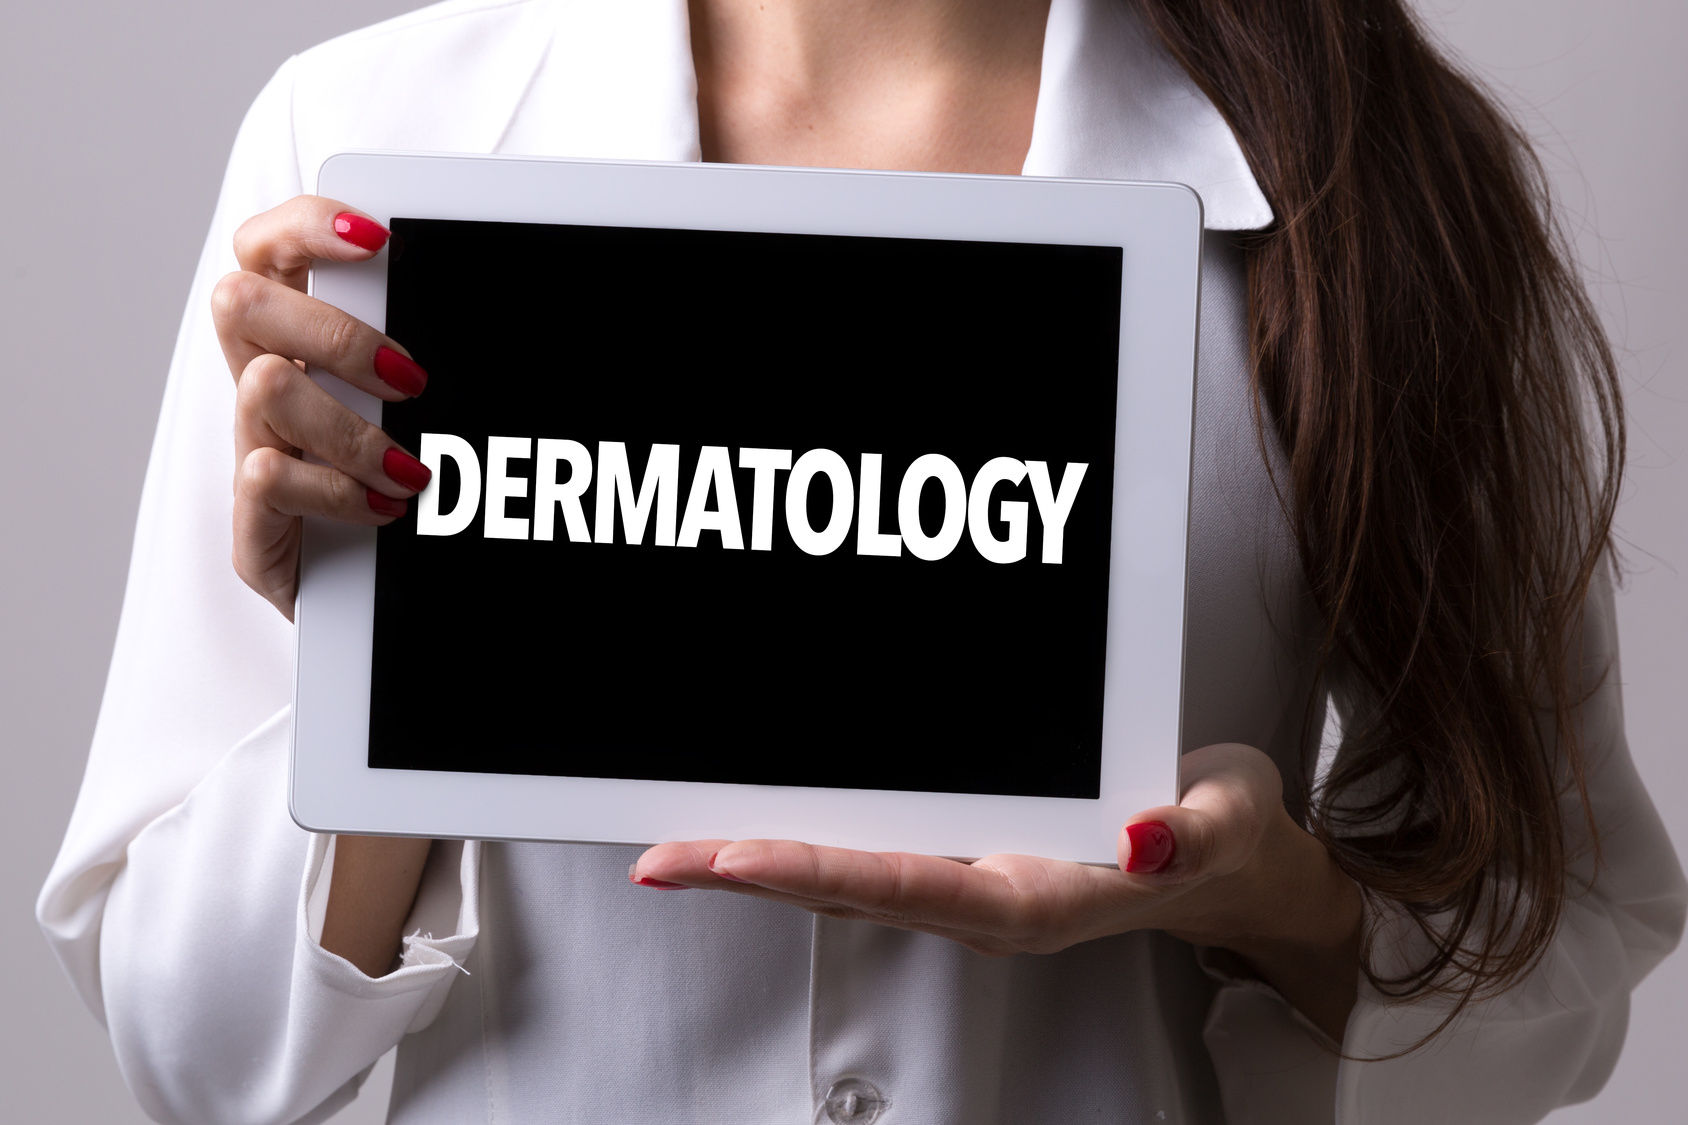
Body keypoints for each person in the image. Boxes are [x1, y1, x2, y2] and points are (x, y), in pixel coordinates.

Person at [36, 0, 1687, 1122]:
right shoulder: (369, 147)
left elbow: (1567, 954)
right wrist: (398, 652)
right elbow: (198, 1049)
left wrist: (1276, 901)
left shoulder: (1389, 196)